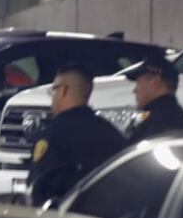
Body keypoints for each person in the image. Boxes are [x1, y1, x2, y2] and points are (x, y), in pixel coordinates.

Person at [28, 63, 125, 206]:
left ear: (63, 91)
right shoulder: (111, 132)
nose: (52, 96)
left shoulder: (53, 135)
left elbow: (38, 190)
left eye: (53, 89)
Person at [125, 55, 183, 143]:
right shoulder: (173, 115)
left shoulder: (161, 121)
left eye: (138, 83)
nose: (134, 90)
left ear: (156, 82)